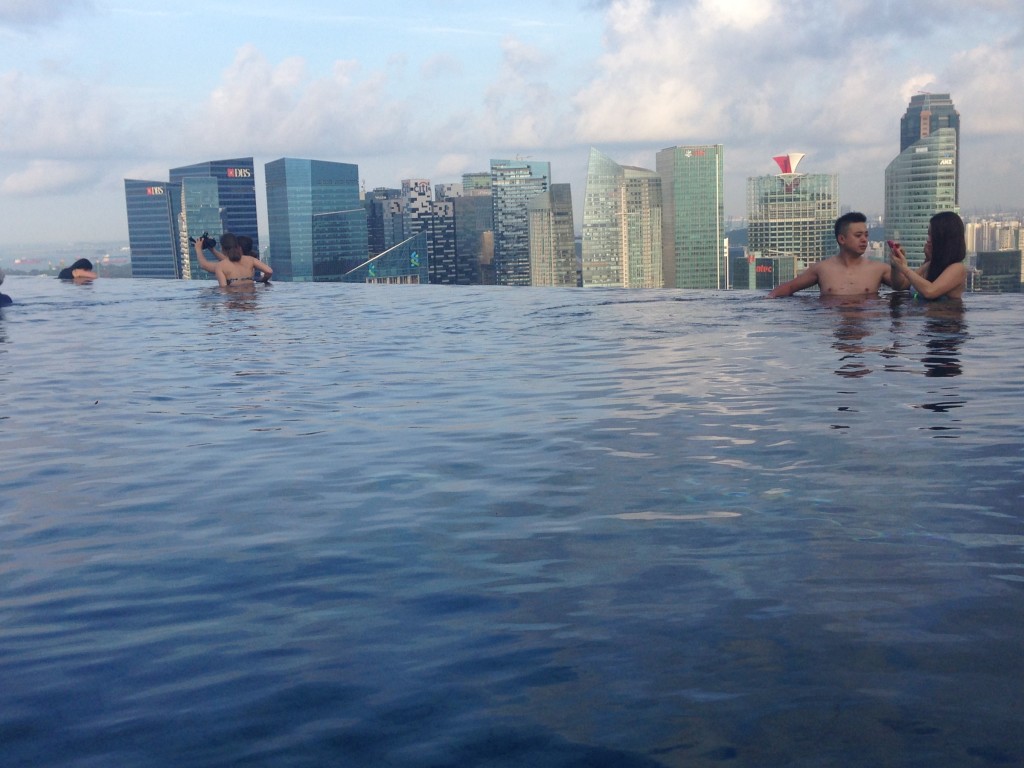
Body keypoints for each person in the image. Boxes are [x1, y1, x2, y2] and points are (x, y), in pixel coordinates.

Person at [768, 212, 905, 298]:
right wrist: (769, 299)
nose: (864, 240)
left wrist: (897, 267)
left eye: (866, 235)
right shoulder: (822, 269)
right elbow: (790, 287)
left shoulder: (878, 269)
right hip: (832, 328)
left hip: (867, 329)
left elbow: (901, 287)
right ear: (842, 239)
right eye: (858, 235)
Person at [888, 211, 966, 300]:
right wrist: (895, 266)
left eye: (932, 235)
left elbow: (930, 291)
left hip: (944, 312)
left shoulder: (957, 268)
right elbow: (900, 285)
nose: (928, 239)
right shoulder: (930, 264)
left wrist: (904, 268)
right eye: (928, 234)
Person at [195, 232, 272, 288]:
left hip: (234, 300)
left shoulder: (220, 266)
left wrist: (198, 249)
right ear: (238, 246)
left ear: (222, 248)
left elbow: (223, 287)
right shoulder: (251, 260)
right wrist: (262, 280)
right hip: (251, 299)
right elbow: (269, 271)